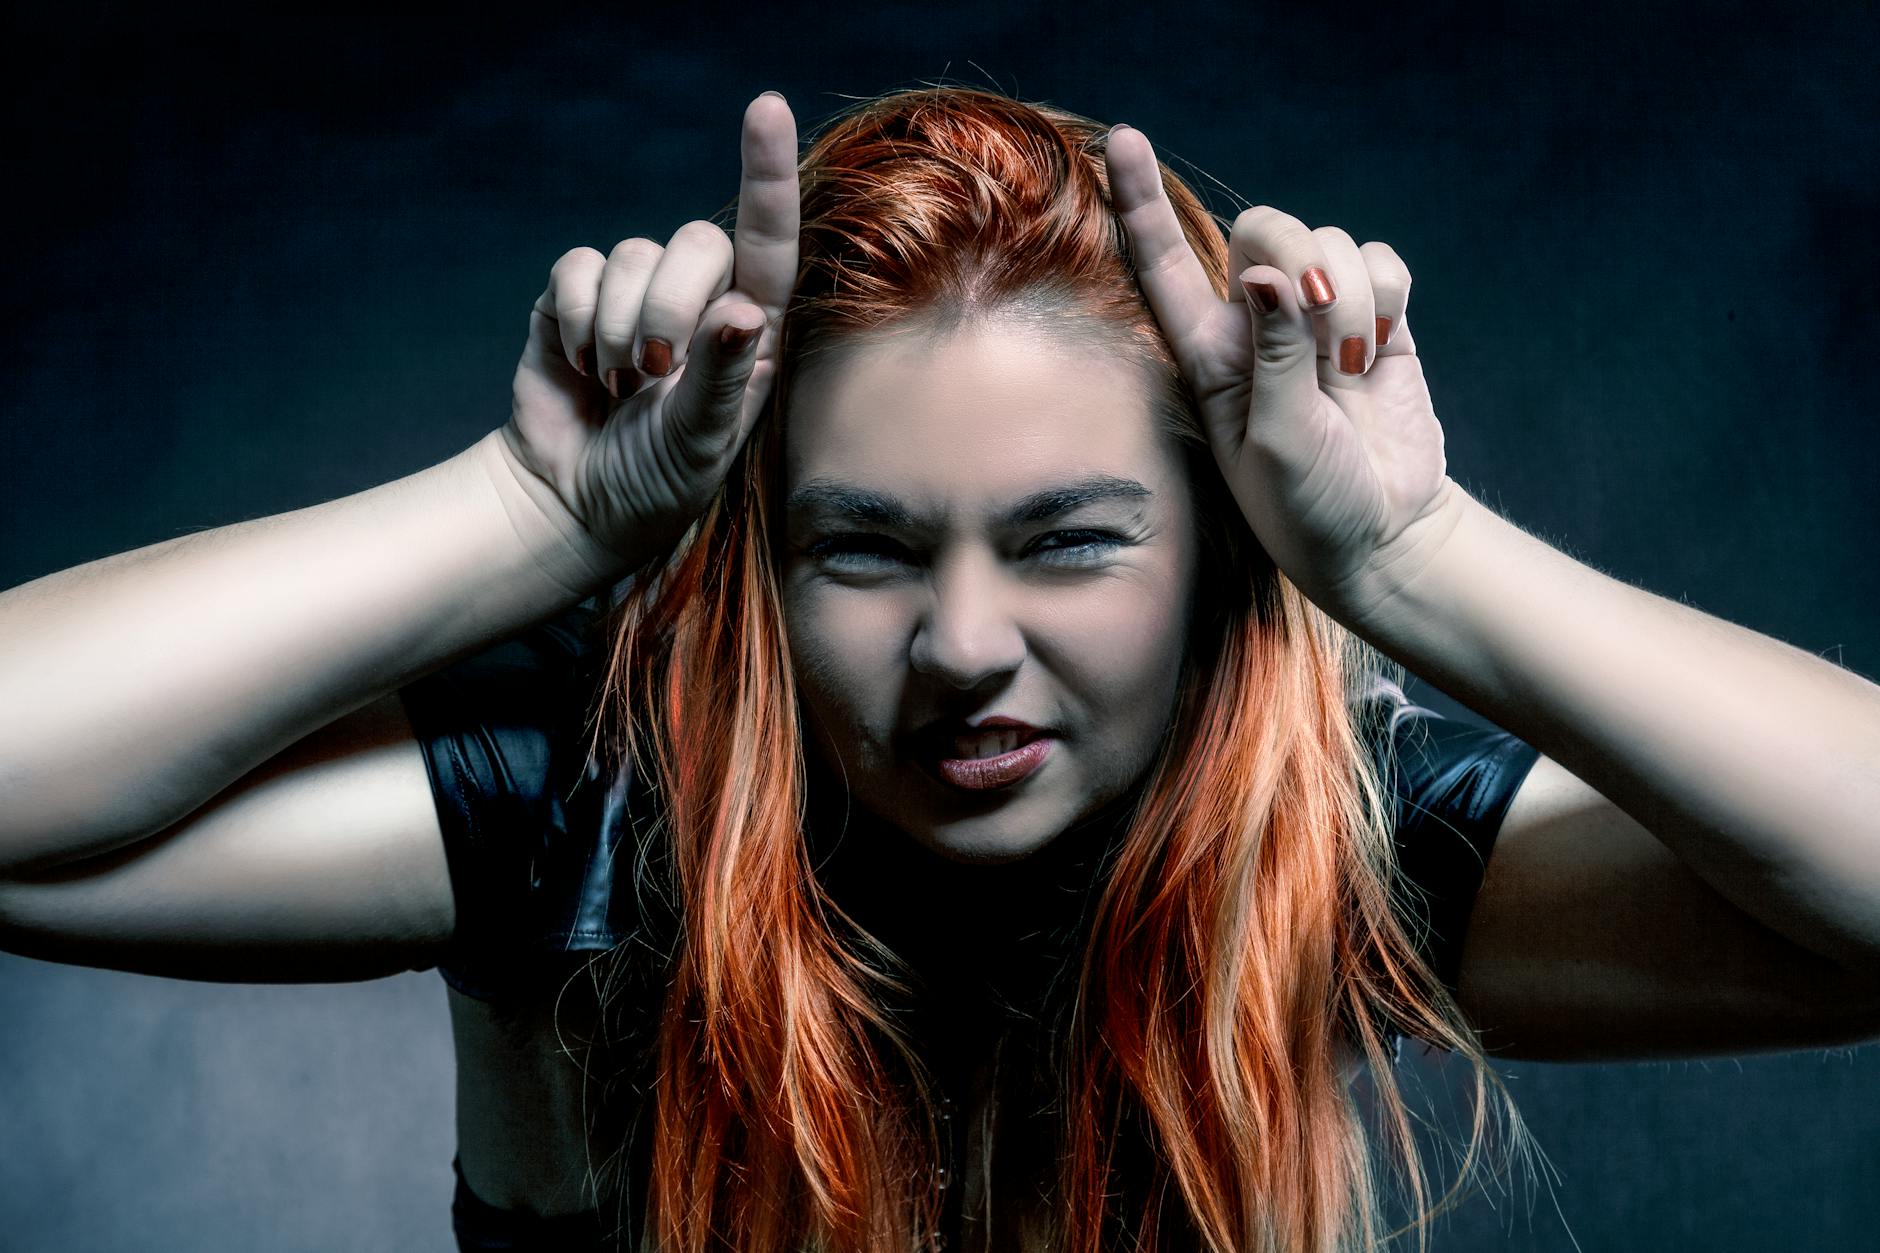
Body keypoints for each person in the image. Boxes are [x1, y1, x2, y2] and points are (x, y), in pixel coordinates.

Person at [3, 85, 1878, 1253]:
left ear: (1222, 542)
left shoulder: (1318, 837)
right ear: (761, 558)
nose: (965, 647)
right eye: (865, 546)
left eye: (1070, 538)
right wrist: (516, 515)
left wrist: (1415, 554)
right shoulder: (593, 809)